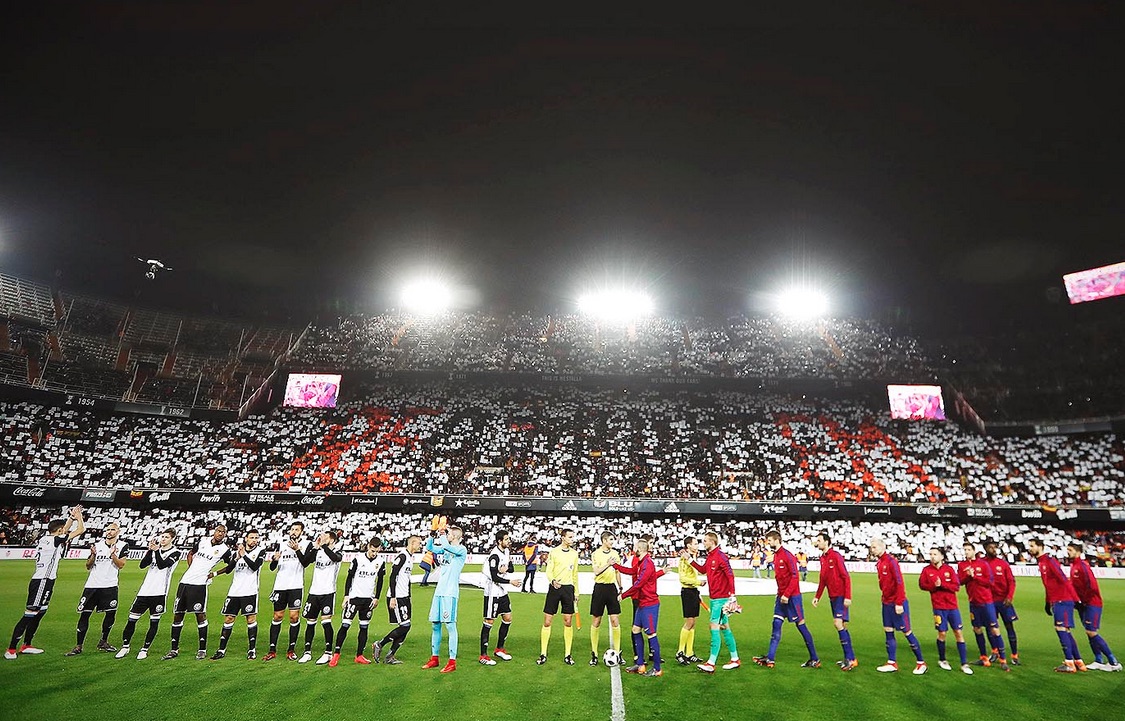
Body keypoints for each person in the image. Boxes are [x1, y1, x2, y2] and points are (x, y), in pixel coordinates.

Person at [6, 506, 84, 660]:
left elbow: (64, 530)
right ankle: (11, 649)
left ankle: (26, 645)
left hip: (46, 581)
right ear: (59, 531)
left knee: (40, 613)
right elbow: (80, 530)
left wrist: (71, 518)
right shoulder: (54, 540)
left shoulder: (47, 538)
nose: (65, 531)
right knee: (30, 614)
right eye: (63, 530)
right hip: (42, 581)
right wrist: (79, 517)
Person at [162, 524, 233, 660]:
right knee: (178, 615)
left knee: (200, 615)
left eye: (223, 532)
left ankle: (202, 649)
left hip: (200, 585)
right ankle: (174, 649)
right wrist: (191, 567)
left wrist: (214, 574)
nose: (220, 533)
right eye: (218, 531)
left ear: (225, 535)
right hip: (184, 582)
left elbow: (230, 567)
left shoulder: (225, 550)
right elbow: (190, 553)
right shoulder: (202, 541)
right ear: (214, 531)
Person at [752, 530, 819, 669]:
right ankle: (770, 658)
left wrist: (787, 594)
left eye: (770, 540)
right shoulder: (776, 556)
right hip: (781, 597)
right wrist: (780, 594)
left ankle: (814, 658)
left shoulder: (788, 556)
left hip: (792, 598)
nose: (768, 543)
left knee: (801, 625)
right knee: (776, 623)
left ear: (777, 540)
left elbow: (795, 576)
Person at [114, 528, 180, 660]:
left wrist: (156, 551)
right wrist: (150, 551)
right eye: (162, 536)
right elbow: (142, 565)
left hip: (159, 592)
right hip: (144, 591)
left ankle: (144, 649)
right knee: (132, 620)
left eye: (166, 537)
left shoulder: (175, 552)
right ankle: (125, 647)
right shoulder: (155, 550)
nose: (163, 539)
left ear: (172, 539)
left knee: (153, 622)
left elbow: (162, 565)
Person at [66, 520, 128, 656]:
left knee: (110, 614)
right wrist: (93, 555)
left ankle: (103, 641)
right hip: (92, 586)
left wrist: (113, 555)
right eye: (108, 529)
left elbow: (121, 565)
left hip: (110, 585)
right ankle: (78, 645)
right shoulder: (97, 545)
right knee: (85, 614)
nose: (109, 532)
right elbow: (88, 566)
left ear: (118, 532)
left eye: (112, 529)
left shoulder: (123, 546)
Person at [1027, 538, 1087, 673]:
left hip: (1062, 600)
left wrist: (1076, 600)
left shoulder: (1049, 561)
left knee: (1060, 628)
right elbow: (1048, 585)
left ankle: (1069, 663)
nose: (1030, 548)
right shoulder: (1041, 562)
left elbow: (1064, 580)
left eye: (1032, 546)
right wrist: (1047, 602)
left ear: (1040, 546)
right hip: (1057, 600)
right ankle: (1078, 661)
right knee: (1066, 630)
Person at [869, 537, 926, 675]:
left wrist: (899, 602)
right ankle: (892, 662)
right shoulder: (879, 563)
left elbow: (899, 582)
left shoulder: (891, 561)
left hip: (897, 603)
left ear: (882, 547)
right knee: (888, 631)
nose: (872, 549)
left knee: (907, 631)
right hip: (886, 602)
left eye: (874, 547)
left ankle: (921, 662)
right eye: (871, 547)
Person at [687, 531, 740, 673]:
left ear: (712, 541)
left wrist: (732, 596)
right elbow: (703, 570)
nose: (703, 543)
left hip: (720, 599)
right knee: (724, 627)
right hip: (715, 598)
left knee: (713, 626)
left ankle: (711, 663)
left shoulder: (721, 557)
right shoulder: (711, 556)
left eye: (705, 541)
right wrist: (690, 560)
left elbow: (730, 575)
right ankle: (735, 658)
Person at [263, 520, 316, 661]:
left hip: (296, 586)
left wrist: (297, 549)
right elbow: (272, 568)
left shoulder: (307, 544)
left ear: (301, 532)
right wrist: (274, 560)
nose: (293, 532)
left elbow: (305, 563)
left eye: (297, 529)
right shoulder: (281, 544)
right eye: (292, 529)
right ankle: (272, 650)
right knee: (277, 616)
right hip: (280, 586)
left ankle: (291, 650)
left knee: (294, 617)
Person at [1066, 542, 1120, 672]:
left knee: (1091, 632)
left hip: (1092, 603)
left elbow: (1092, 586)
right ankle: (1098, 660)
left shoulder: (1083, 566)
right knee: (1088, 632)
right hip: (1082, 604)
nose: (1068, 552)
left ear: (1078, 552)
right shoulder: (1073, 565)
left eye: (1070, 550)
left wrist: (1084, 601)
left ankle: (1113, 662)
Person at [330, 537, 384, 667]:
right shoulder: (358, 559)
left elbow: (380, 580)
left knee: (364, 627)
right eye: (372, 551)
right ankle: (336, 654)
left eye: (377, 551)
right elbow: (349, 577)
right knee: (345, 625)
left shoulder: (380, 562)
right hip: (354, 598)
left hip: (368, 599)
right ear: (368, 547)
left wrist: (376, 597)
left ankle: (359, 655)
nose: (374, 553)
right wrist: (346, 596)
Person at [212, 528, 265, 660]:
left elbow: (254, 567)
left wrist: (244, 555)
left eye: (256, 538)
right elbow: (229, 569)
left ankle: (252, 650)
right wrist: (236, 558)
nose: (254, 540)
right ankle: (221, 650)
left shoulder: (260, 551)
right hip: (234, 592)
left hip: (250, 592)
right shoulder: (238, 552)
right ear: (246, 539)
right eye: (252, 537)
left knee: (250, 619)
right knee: (228, 619)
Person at [917, 548, 972, 674]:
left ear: (942, 556)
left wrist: (942, 585)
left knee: (958, 632)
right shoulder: (926, 570)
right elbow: (922, 585)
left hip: (952, 607)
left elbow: (956, 586)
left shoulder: (949, 569)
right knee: (942, 633)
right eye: (930, 554)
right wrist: (933, 586)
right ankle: (942, 660)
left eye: (935, 554)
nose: (932, 556)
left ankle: (964, 663)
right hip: (938, 607)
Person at [422, 526, 467, 673]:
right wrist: (432, 534)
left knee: (450, 626)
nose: (446, 535)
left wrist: (442, 534)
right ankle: (434, 658)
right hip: (439, 592)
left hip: (450, 593)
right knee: (435, 624)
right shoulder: (446, 549)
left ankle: (452, 662)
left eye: (448, 534)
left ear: (454, 536)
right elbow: (430, 548)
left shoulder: (461, 550)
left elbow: (447, 546)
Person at [614, 537, 662, 677]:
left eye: (635, 547)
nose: (633, 549)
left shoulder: (647, 564)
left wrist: (623, 595)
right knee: (635, 630)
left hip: (650, 604)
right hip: (642, 603)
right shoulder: (641, 562)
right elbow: (631, 571)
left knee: (651, 634)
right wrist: (615, 566)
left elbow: (639, 584)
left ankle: (657, 668)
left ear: (639, 549)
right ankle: (640, 664)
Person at [958, 542, 1009, 670]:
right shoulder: (962, 565)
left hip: (986, 602)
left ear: (974, 551)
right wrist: (968, 576)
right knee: (977, 629)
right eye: (965, 550)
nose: (966, 552)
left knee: (994, 629)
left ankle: (1003, 659)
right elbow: (959, 582)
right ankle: (984, 658)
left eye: (968, 549)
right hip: (973, 603)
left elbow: (990, 582)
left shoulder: (983, 564)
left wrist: (975, 577)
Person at [373, 534, 422, 665]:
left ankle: (390, 655)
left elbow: (406, 579)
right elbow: (392, 576)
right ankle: (380, 644)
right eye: (418, 543)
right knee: (405, 625)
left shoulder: (410, 557)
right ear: (412, 543)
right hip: (397, 597)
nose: (420, 546)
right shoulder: (402, 556)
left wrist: (409, 596)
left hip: (404, 596)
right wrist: (393, 597)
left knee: (406, 626)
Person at [811, 530, 856, 671]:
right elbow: (823, 579)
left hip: (841, 596)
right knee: (842, 625)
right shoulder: (822, 558)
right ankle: (850, 658)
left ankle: (850, 659)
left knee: (838, 623)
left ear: (826, 542)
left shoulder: (836, 556)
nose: (817, 543)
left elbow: (846, 577)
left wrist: (848, 596)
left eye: (819, 540)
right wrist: (817, 596)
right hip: (833, 596)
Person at [299, 530, 343, 665]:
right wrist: (315, 548)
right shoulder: (318, 551)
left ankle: (328, 652)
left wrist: (323, 546)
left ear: (332, 540)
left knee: (325, 622)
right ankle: (307, 652)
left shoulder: (337, 551)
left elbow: (335, 558)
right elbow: (305, 562)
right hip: (314, 592)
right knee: (310, 622)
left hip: (328, 592)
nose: (322, 538)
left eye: (325, 537)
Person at [537, 528, 579, 666]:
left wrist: (576, 592)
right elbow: (549, 570)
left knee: (568, 621)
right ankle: (543, 654)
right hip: (555, 588)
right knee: (547, 621)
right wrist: (552, 580)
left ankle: (568, 654)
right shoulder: (554, 552)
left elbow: (575, 574)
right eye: (570, 537)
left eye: (573, 537)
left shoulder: (574, 554)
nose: (572, 539)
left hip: (568, 589)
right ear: (563, 538)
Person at [479, 529, 521, 665]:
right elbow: (494, 577)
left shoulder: (506, 552)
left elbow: (511, 569)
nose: (509, 541)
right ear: (499, 541)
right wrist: (510, 581)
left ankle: (499, 649)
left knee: (507, 618)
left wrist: (506, 569)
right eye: (506, 539)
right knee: (489, 621)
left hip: (502, 591)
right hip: (492, 592)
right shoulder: (494, 556)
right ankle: (483, 656)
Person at [588, 531, 624, 666]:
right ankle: (594, 654)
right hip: (599, 588)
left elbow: (618, 571)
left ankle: (618, 652)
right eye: (610, 540)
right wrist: (608, 564)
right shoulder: (596, 554)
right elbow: (596, 571)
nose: (612, 542)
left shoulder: (615, 554)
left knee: (615, 620)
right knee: (596, 620)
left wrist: (620, 587)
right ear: (604, 540)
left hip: (611, 588)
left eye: (613, 540)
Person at [983, 539, 1020, 665]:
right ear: (985, 549)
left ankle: (1014, 655)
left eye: (995, 547)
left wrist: (1010, 597)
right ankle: (995, 651)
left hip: (1004, 601)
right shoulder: (982, 563)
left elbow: (1011, 582)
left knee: (1009, 626)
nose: (994, 550)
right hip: (989, 601)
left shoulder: (1003, 564)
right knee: (990, 627)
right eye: (991, 547)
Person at [675, 536, 703, 665]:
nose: (697, 546)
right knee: (689, 622)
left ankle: (689, 652)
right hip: (687, 592)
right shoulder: (684, 559)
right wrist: (698, 582)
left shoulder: (691, 558)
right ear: (688, 546)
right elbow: (682, 578)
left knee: (693, 623)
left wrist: (697, 591)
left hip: (693, 591)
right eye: (695, 543)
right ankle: (680, 652)